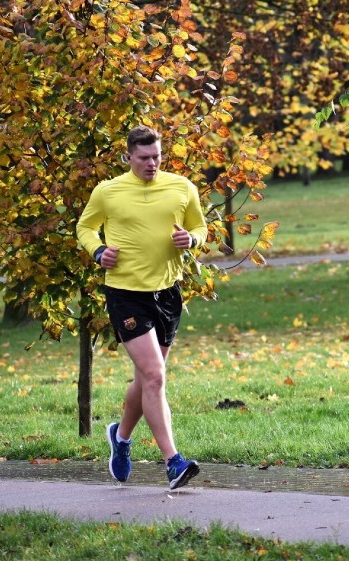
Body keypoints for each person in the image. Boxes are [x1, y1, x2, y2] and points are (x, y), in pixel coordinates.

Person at [76, 125, 208, 490]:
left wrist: (192, 238)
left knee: (146, 377)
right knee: (154, 376)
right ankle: (173, 462)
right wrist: (98, 251)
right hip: (125, 293)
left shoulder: (182, 187)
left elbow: (201, 226)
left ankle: (120, 437)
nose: (152, 164)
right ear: (128, 158)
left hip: (167, 293)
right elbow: (84, 228)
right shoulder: (108, 191)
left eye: (157, 157)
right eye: (144, 158)